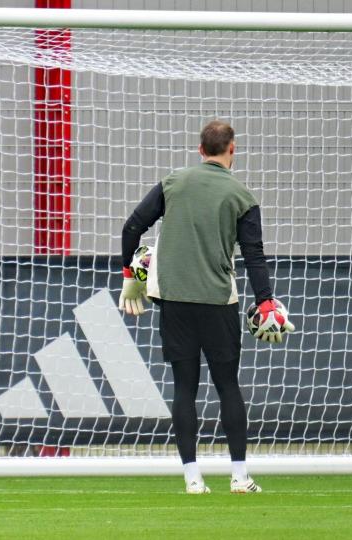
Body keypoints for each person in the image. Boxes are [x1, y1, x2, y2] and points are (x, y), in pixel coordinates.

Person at [119, 119, 294, 494]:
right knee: (228, 387)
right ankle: (239, 477)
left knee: (184, 388)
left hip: (175, 301)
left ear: (201, 150)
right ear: (233, 149)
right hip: (218, 302)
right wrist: (265, 301)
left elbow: (132, 228)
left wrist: (130, 275)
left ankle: (192, 479)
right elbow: (254, 255)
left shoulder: (173, 183)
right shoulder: (242, 195)